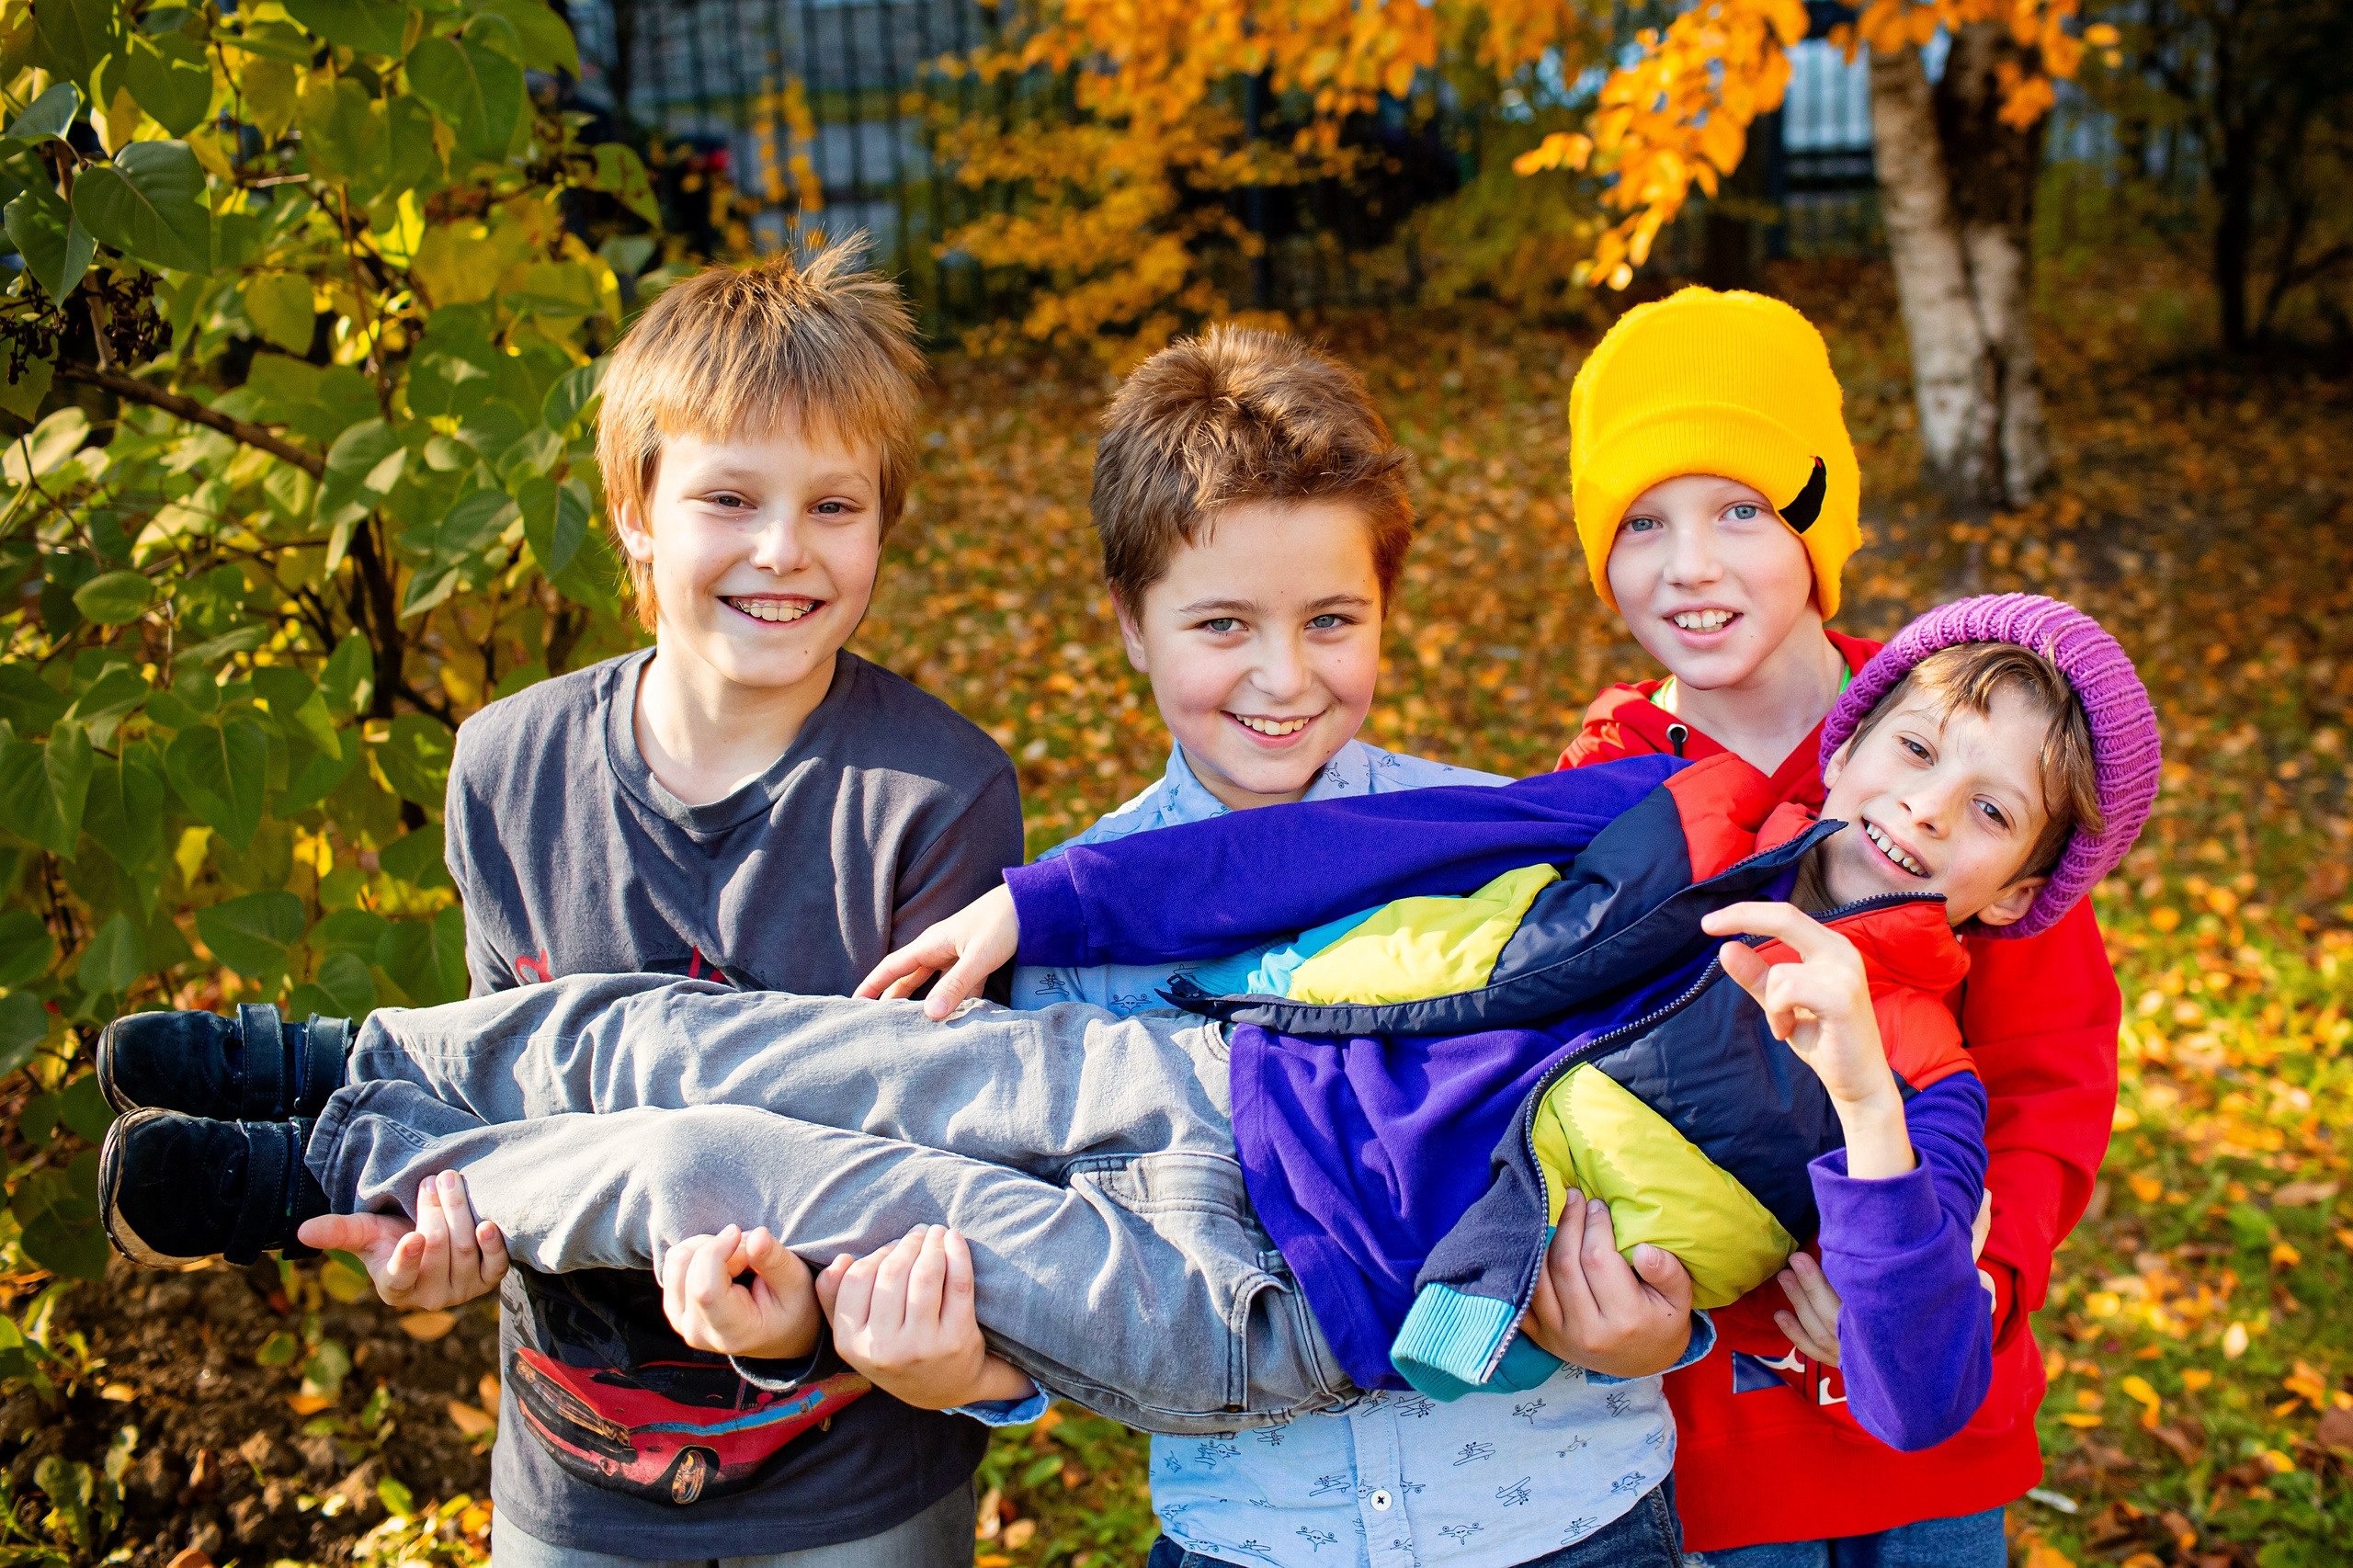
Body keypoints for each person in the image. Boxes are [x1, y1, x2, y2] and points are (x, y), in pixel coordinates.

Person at [97, 603, 2154, 1465]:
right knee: (741, 1041)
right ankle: (320, 1058)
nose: (1914, 805)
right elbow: (1301, 863)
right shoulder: (1667, 818)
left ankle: (313, 1180)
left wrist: (1867, 1107)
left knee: (729, 1168)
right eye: (1909, 742)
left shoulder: (1922, 1098)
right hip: (1207, 1080)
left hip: (1257, 1287)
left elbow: (1913, 1389)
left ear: (2009, 886)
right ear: (1853, 725)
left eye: (1984, 808)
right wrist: (1036, 902)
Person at [142, 244, 1028, 1563]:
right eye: (729, 496)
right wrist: (450, 1246)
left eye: (835, 505)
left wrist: (793, 1321)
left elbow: (940, 1163)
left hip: (851, 1470)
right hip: (578, 1463)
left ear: (885, 521)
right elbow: (504, 1092)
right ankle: (316, 1129)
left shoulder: (935, 793)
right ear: (634, 508)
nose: (784, 550)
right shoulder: (508, 766)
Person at [961, 324, 1708, 1568]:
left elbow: (1650, 1137)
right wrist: (981, 1372)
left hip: (1563, 1512)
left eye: (1330, 619)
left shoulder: (1491, 850)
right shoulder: (1061, 945)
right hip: (1260, 1535)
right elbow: (1073, 1273)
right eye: (1222, 626)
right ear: (1130, 622)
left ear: (1385, 611)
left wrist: (1658, 1328)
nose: (1283, 675)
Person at [1550, 287, 2134, 1563]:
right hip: (1710, 1426)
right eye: (1641, 521)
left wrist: (1983, 1282)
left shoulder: (1951, 754)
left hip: (1928, 1422)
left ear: (1820, 514)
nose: (1690, 563)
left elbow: (2052, 1076)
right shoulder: (1609, 781)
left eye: (1741, 509)